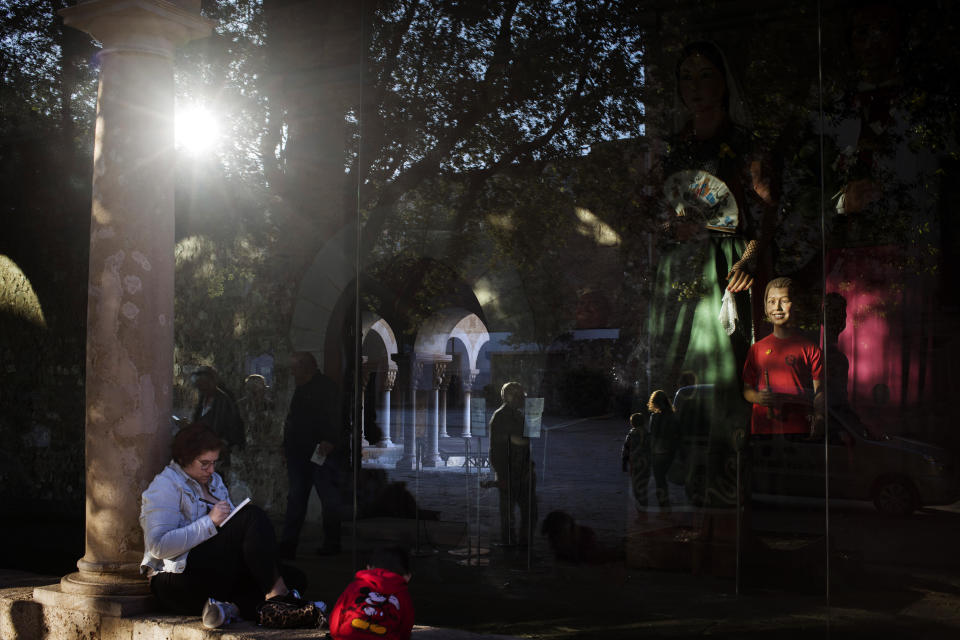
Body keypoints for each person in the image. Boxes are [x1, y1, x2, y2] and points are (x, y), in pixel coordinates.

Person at [648, 40, 773, 509]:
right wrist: (671, 227)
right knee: (676, 364)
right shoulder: (673, 150)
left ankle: (726, 475)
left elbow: (764, 210)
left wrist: (749, 256)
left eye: (705, 75)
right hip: (681, 265)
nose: (695, 87)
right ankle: (684, 473)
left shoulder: (744, 145)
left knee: (722, 363)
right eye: (686, 76)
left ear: (723, 81)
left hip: (725, 263)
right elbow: (656, 209)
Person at [140, 423, 301, 629]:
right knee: (253, 518)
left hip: (215, 572)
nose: (211, 470)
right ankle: (277, 601)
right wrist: (210, 522)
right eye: (204, 464)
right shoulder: (166, 485)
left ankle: (229, 609)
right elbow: (158, 545)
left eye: (214, 463)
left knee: (294, 577)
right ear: (184, 459)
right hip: (177, 580)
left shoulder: (214, 481)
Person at [279, 351, 343, 558]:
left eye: (295, 367)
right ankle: (288, 545)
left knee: (328, 498)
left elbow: (337, 417)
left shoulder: (326, 388)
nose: (291, 372)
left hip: (320, 451)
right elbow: (293, 420)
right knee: (296, 498)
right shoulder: (301, 388)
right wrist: (287, 446)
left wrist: (330, 440)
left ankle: (332, 543)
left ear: (306, 367)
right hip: (299, 452)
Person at [742, 277, 824, 437]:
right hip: (762, 431)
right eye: (771, 301)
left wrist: (820, 417)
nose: (777, 308)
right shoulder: (756, 349)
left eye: (784, 301)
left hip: (799, 430)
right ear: (765, 307)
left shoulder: (811, 349)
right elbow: (746, 390)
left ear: (796, 305)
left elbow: (820, 392)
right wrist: (758, 398)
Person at [328, 546, 414, 640]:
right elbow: (405, 628)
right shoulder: (403, 595)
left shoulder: (355, 586)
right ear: (407, 576)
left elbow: (337, 615)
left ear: (368, 568)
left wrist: (336, 636)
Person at [488, 381, 537, 546]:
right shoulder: (500, 417)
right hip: (509, 472)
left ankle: (524, 543)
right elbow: (496, 450)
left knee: (529, 512)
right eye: (519, 396)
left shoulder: (519, 415)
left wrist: (528, 467)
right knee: (508, 514)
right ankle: (509, 543)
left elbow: (525, 443)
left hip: (523, 472)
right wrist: (502, 475)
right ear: (510, 397)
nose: (522, 400)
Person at [190, 365, 244, 455]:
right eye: (199, 386)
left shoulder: (223, 400)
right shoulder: (203, 399)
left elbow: (232, 428)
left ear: (213, 382)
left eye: (204, 385)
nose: (201, 389)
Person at [647, 390, 679, 508]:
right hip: (669, 451)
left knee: (660, 480)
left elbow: (653, 436)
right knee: (663, 478)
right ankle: (665, 503)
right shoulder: (672, 416)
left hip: (657, 452)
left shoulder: (654, 417)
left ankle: (663, 504)